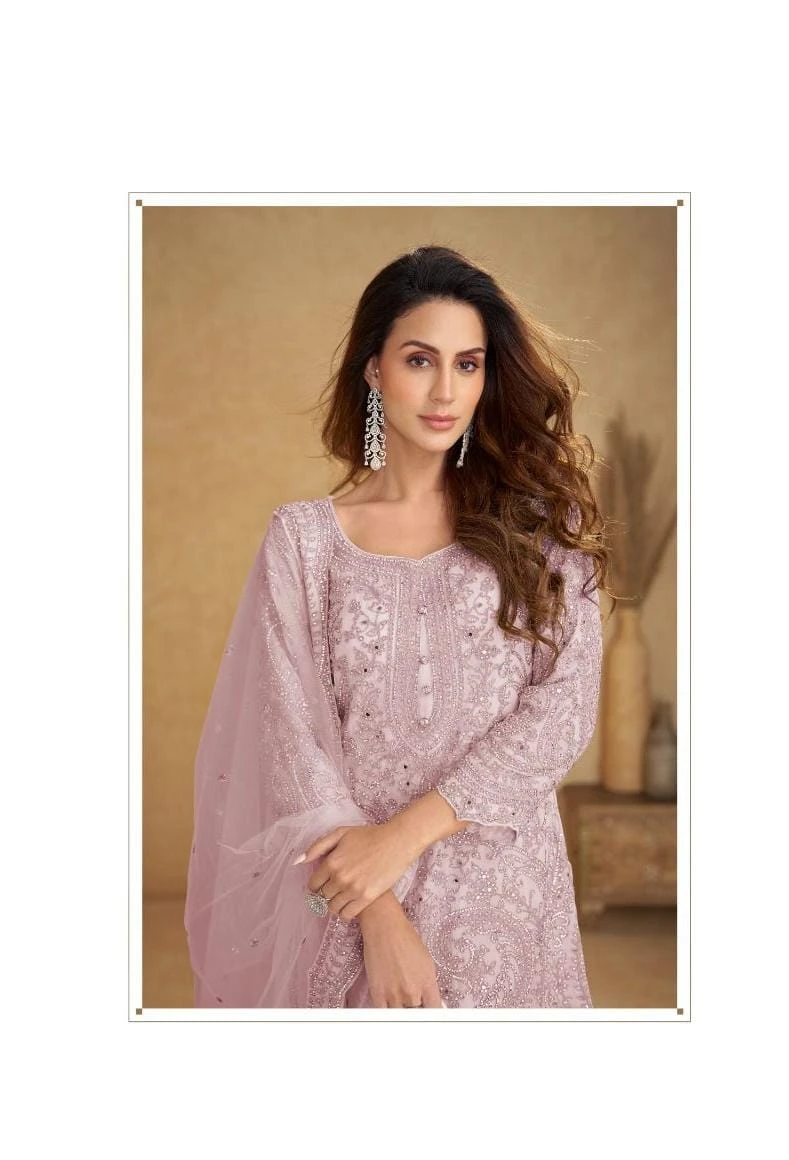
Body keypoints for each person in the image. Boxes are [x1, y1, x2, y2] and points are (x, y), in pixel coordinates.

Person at [184, 244, 614, 1009]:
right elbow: (290, 742)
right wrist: (378, 912)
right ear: (374, 370)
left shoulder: (542, 531)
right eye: (420, 360)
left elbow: (561, 713)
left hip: (506, 899)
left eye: (467, 364)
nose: (445, 390)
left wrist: (403, 836)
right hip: (350, 899)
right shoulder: (305, 542)